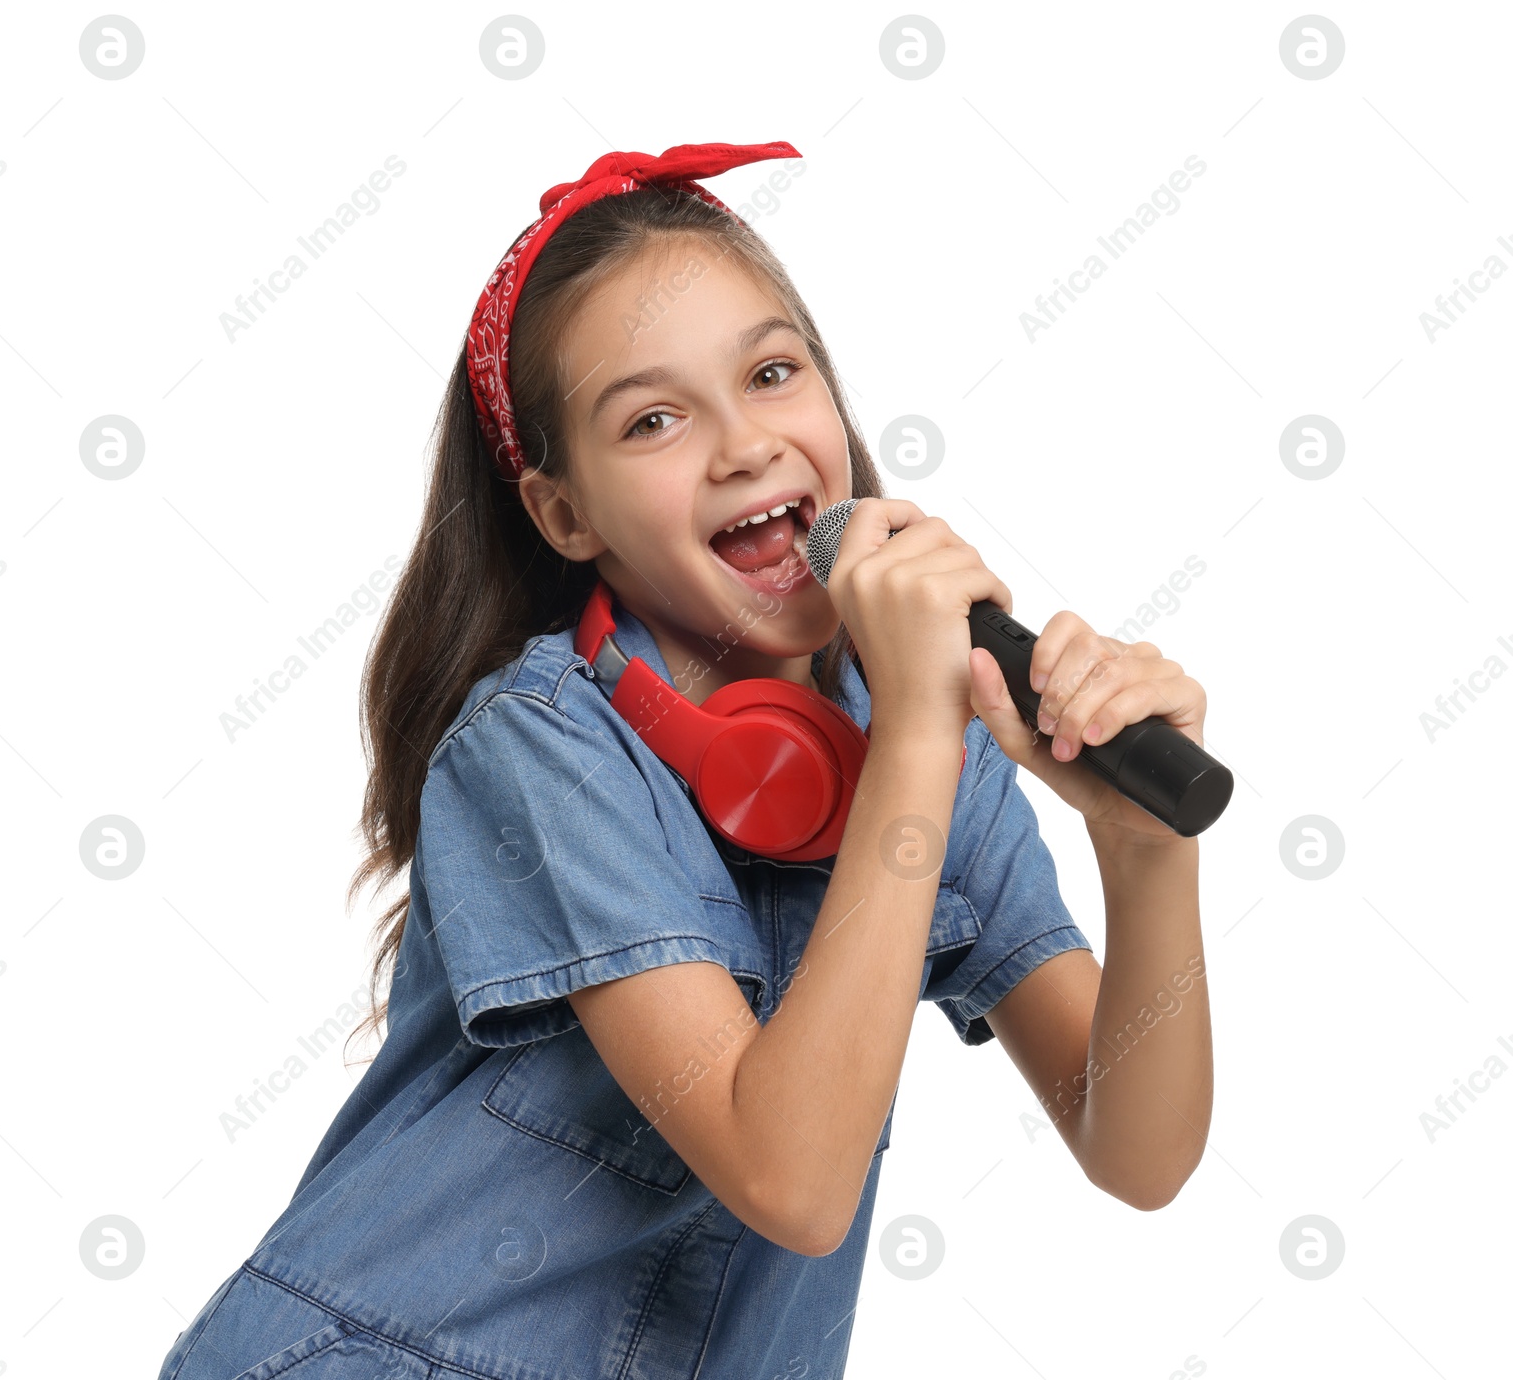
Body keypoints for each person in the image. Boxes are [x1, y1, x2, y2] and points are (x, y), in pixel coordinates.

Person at [157, 141, 1214, 1380]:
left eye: (772, 372)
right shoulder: (543, 747)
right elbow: (792, 1177)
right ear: (564, 514)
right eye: (653, 418)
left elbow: (1135, 1153)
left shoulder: (920, 732)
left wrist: (1142, 855)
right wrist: (923, 742)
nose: (743, 445)